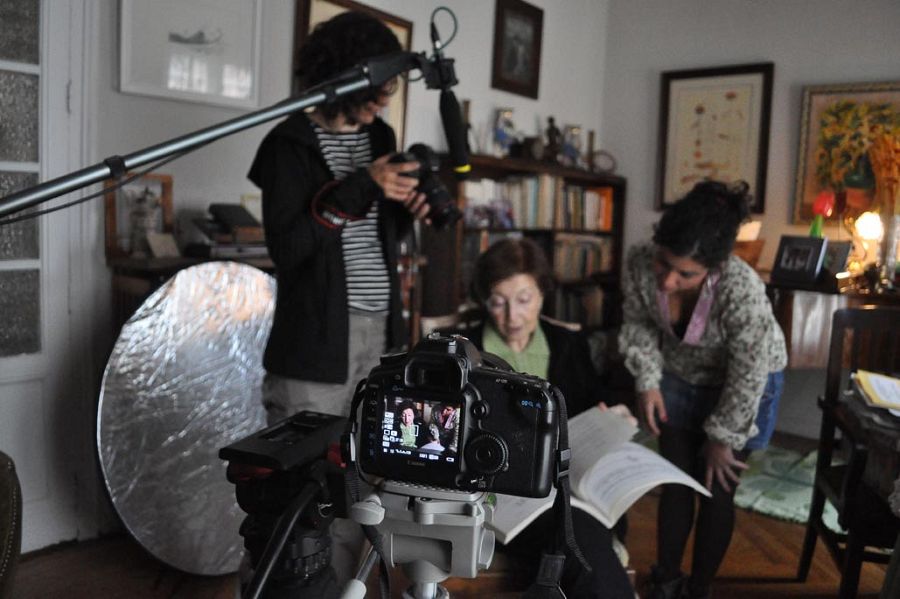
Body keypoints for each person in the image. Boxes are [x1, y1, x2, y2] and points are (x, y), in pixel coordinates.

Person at [246, 11, 429, 587]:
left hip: (380, 333)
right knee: (296, 495)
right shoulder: (288, 144)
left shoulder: (380, 139)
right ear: (340, 75)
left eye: (388, 91)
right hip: (314, 339)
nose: (382, 103)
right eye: (374, 91)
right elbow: (292, 247)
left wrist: (409, 208)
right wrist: (365, 184)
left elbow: (378, 236)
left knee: (364, 487)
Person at [617, 180, 787, 599]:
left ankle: (700, 588)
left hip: (745, 382)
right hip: (678, 373)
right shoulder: (639, 262)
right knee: (675, 481)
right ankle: (666, 579)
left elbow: (750, 369)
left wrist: (723, 438)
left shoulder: (742, 290)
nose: (669, 280)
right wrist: (648, 381)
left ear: (715, 268)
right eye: (664, 264)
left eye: (686, 274)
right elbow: (637, 323)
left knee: (717, 489)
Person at [450, 237, 635, 599]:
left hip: (560, 489)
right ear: (484, 299)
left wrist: (613, 416)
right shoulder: (460, 350)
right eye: (498, 302)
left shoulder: (567, 345)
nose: (512, 316)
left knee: (578, 539)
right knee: (580, 543)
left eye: (524, 300)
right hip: (490, 496)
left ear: (543, 295)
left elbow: (591, 404)